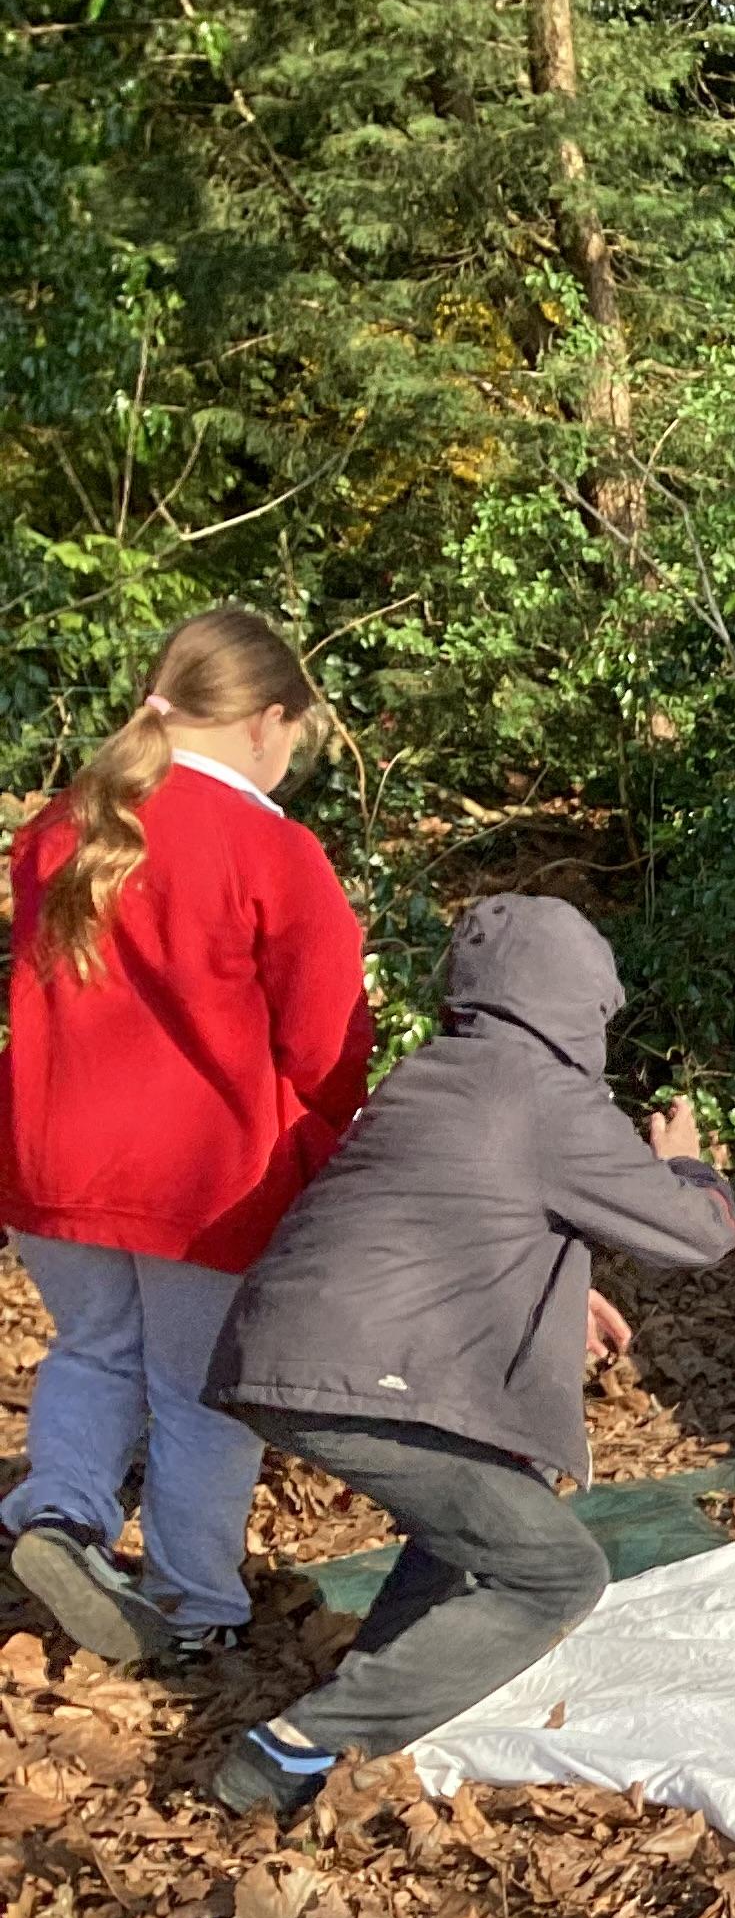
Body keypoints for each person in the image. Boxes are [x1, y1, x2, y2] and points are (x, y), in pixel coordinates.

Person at [192, 894, 735, 1819]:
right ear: (580, 1001)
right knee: (556, 1573)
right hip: (351, 1372)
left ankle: (360, 1718)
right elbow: (699, 1235)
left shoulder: (438, 1071)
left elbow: (442, 1219)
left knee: (485, 1507)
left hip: (287, 1346)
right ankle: (290, 1752)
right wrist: (688, 1164)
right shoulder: (546, 1095)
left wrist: (562, 1293)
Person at [0, 607, 372, 1663]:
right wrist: (332, 1130)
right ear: (266, 721)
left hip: (50, 1160)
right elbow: (325, 1037)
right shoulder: (271, 848)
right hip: (203, 1176)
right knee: (200, 1394)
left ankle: (64, 1512)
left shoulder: (62, 828)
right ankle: (196, 1606)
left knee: (94, 1350)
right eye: (296, 735)